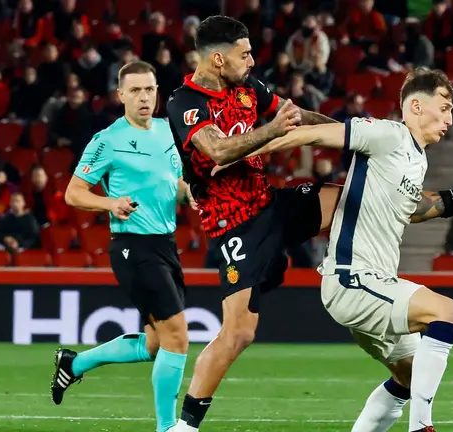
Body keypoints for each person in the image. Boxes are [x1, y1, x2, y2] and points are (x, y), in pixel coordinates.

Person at [220, 67, 453, 432]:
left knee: (409, 379)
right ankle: (422, 427)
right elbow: (311, 134)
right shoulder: (386, 133)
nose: (450, 118)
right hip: (353, 279)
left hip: (373, 283)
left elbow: (416, 209)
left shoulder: (414, 158)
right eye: (445, 107)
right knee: (448, 312)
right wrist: (233, 153)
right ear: (417, 106)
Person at [165, 16, 340, 432]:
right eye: (244, 54)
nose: (251, 60)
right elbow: (219, 151)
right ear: (218, 58)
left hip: (269, 202)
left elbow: (295, 117)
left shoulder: (248, 88)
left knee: (349, 198)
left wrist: (353, 134)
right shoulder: (184, 102)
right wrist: (272, 130)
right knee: (240, 333)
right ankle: (185, 427)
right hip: (234, 225)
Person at [51, 61, 192, 432]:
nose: (144, 97)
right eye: (135, 91)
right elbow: (73, 193)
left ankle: (74, 364)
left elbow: (171, 181)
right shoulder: (108, 140)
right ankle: (167, 427)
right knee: (177, 335)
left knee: (155, 345)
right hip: (133, 247)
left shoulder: (166, 131)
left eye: (149, 89)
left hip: (165, 244)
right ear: (121, 96)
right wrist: (109, 203)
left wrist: (188, 193)